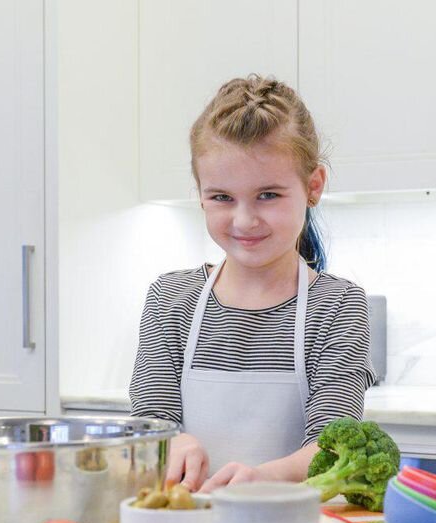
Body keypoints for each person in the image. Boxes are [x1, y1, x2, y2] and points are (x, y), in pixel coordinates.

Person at [129, 74, 376, 492]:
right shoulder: (171, 298)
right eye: (222, 197)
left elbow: (331, 445)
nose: (244, 220)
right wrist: (173, 442)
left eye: (268, 195)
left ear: (313, 186)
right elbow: (151, 421)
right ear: (200, 193)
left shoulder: (337, 305)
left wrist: (263, 480)